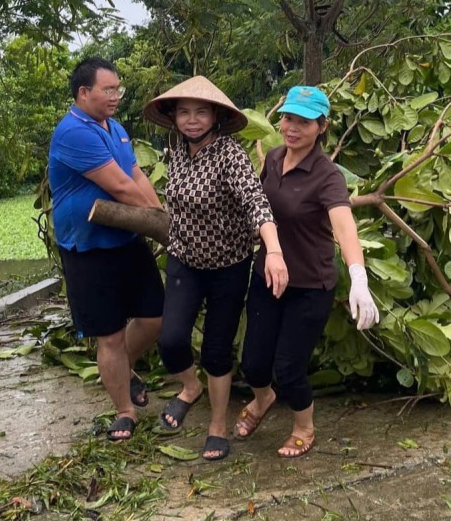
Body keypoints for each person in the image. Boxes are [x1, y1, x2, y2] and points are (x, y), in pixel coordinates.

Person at [142, 76, 288, 461]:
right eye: (184, 112)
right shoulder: (175, 152)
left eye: (201, 112)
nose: (192, 120)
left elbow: (257, 204)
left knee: (216, 352)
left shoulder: (230, 155)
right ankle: (190, 389)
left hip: (228, 265)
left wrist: (272, 250)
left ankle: (217, 426)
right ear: (173, 118)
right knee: (171, 340)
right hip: (184, 260)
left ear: (215, 117)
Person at [234, 85, 379, 458]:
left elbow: (344, 226)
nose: (291, 127)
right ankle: (263, 399)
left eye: (303, 121)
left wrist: (358, 277)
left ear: (321, 127)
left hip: (310, 284)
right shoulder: (273, 158)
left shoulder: (328, 176)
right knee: (252, 362)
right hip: (269, 276)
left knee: (289, 367)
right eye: (287, 118)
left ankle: (304, 427)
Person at [48, 57, 165, 442]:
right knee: (110, 336)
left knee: (155, 317)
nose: (116, 96)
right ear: (84, 93)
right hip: (87, 248)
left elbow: (136, 174)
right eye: (108, 89)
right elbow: (120, 188)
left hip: (126, 239)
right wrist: (160, 222)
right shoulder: (73, 133)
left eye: (119, 89)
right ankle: (124, 411)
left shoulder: (114, 128)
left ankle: (123, 370)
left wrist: (162, 216)